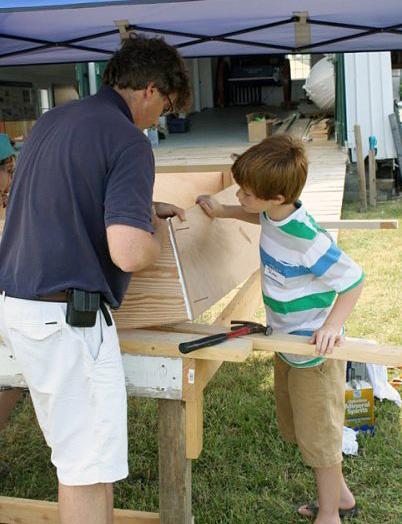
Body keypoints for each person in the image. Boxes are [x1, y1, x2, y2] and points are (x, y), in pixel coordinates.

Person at [0, 35, 190, 524]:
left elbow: (67, 198)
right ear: (150, 89)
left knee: (91, 463)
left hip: (18, 304)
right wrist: (152, 236)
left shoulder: (52, 121)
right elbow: (126, 252)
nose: (159, 118)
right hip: (68, 319)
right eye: (165, 106)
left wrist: (139, 208)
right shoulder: (127, 138)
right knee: (84, 470)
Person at [196, 134, 364, 524]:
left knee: (320, 437)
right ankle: (340, 496)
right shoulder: (274, 215)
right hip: (286, 340)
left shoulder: (305, 238)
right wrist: (222, 211)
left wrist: (332, 326)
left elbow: (354, 280)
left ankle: (329, 514)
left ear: (275, 198)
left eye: (247, 193)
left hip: (313, 351)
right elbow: (258, 217)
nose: (240, 195)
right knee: (298, 426)